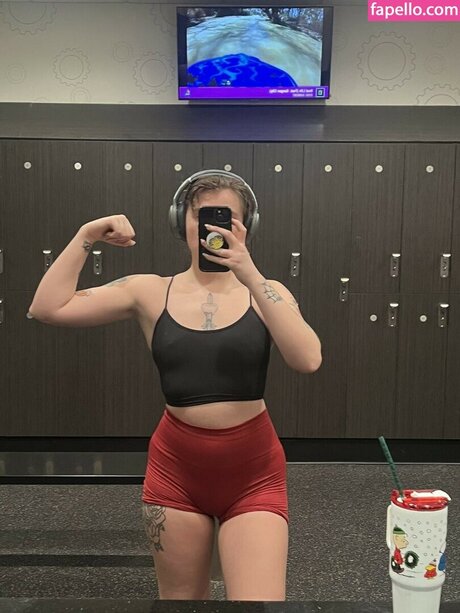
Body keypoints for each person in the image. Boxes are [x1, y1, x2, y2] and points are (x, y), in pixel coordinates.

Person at [28, 170, 322, 602]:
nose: (212, 226)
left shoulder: (266, 292)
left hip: (253, 473)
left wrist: (249, 272)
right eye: (201, 215)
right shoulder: (149, 291)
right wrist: (86, 235)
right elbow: (47, 308)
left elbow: (308, 359)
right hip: (176, 472)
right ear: (180, 221)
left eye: (227, 217)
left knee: (258, 606)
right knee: (180, 605)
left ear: (247, 227)